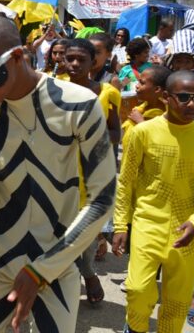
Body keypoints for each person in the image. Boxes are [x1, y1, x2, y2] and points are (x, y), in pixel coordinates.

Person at [0, 10, 116, 333]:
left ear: (16, 57)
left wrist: (42, 271)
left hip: (57, 266)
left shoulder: (78, 104)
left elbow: (103, 198)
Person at [112, 70, 194, 333]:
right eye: (184, 97)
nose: (192, 104)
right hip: (147, 223)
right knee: (138, 291)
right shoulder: (143, 132)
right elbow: (126, 181)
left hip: (185, 230)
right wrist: (120, 225)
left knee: (176, 303)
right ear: (165, 97)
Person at [63, 38, 121, 304]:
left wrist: (86, 134)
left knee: (83, 232)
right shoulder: (53, 88)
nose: (74, 64)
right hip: (58, 170)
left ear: (92, 62)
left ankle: (88, 274)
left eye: (81, 59)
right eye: (69, 58)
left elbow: (114, 133)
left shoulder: (107, 92)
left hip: (91, 172)